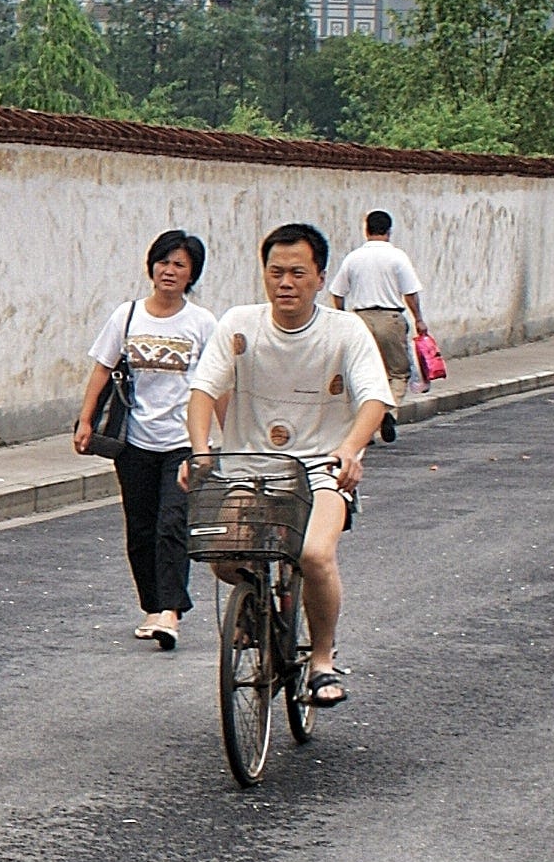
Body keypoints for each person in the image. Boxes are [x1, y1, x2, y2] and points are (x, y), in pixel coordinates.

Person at [184, 223, 394, 710]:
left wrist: (350, 449)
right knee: (221, 555)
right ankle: (254, 603)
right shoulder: (240, 324)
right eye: (275, 271)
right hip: (247, 468)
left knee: (315, 556)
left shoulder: (345, 331)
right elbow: (203, 390)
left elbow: (374, 400)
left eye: (298, 272)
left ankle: (321, 659)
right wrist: (200, 448)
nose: (285, 282)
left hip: (320, 470)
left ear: (320, 277)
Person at [72, 231, 216, 650]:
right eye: (163, 262)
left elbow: (215, 385)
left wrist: (226, 437)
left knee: (173, 523)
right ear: (152, 266)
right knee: (140, 528)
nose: (169, 271)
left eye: (180, 265)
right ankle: (153, 606)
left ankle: (170, 611)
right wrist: (85, 422)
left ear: (192, 275)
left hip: (182, 441)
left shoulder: (202, 323)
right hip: (134, 441)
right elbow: (102, 369)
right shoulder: (128, 315)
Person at [324, 209, 428, 443]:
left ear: (366, 229)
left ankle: (365, 430)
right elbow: (410, 293)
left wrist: (342, 316)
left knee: (363, 374)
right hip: (390, 319)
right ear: (389, 231)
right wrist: (419, 319)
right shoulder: (397, 257)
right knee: (398, 372)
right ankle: (386, 412)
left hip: (360, 320)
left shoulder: (353, 258)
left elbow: (337, 292)